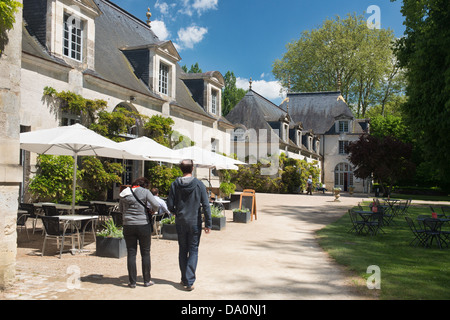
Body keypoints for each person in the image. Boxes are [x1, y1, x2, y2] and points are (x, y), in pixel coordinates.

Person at [167, 159, 212, 291]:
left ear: (181, 169)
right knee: (193, 250)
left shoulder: (175, 184)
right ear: (192, 169)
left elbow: (169, 205)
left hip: (181, 221)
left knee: (182, 250)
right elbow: (206, 205)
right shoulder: (199, 184)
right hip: (194, 222)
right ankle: (189, 280)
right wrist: (208, 223)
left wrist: (176, 212)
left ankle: (184, 278)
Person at [119, 177, 160, 288]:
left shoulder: (124, 193)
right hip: (143, 224)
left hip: (128, 225)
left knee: (131, 253)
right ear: (145, 185)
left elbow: (121, 209)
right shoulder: (145, 192)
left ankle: (132, 282)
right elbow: (156, 205)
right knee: (145, 253)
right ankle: (147, 280)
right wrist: (153, 211)